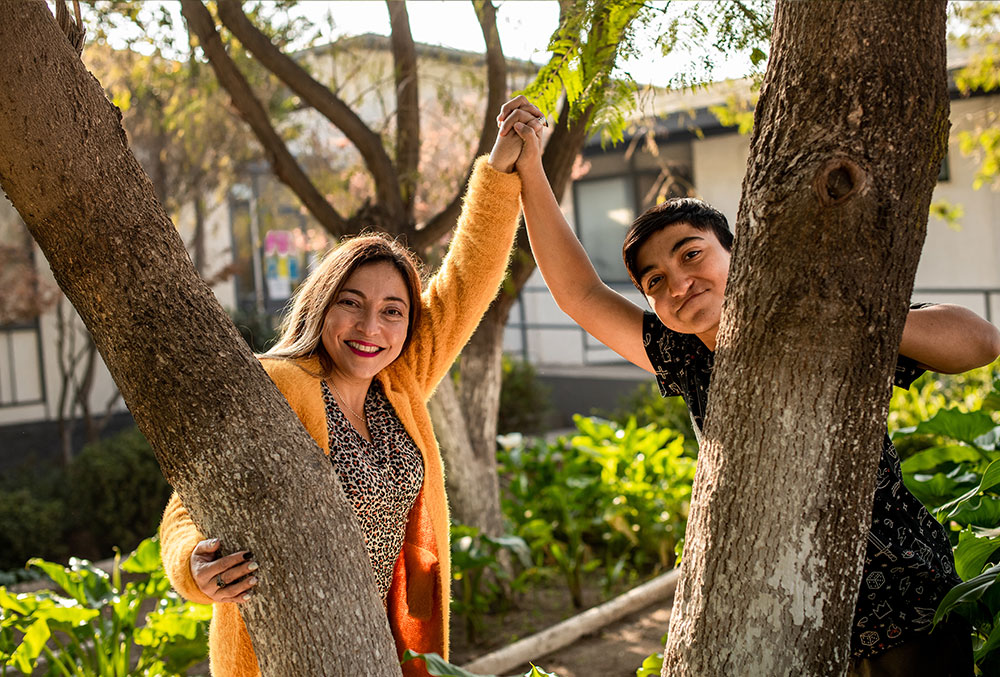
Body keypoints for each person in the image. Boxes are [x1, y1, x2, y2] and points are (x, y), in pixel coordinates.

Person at [501, 94, 1000, 675]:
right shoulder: (683, 356)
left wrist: (848, 318)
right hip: (779, 613)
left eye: (693, 255)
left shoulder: (820, 322)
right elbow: (580, 294)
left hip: (901, 591)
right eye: (655, 281)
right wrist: (530, 166)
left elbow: (981, 341)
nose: (679, 283)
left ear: (740, 254)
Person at [158, 104, 545, 677]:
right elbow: (187, 506)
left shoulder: (400, 385)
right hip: (284, 653)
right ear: (322, 305)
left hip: (381, 645)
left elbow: (468, 279)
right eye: (352, 304)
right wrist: (193, 565)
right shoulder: (278, 384)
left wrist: (499, 167)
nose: (372, 329)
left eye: (393, 311)